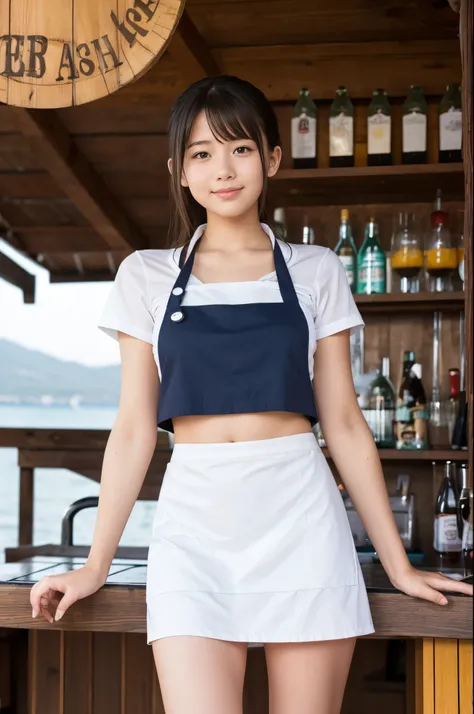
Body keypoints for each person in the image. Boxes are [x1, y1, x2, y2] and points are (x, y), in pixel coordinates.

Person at [30, 76, 473, 714]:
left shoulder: (316, 268)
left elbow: (344, 424)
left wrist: (398, 566)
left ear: (270, 159)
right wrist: (95, 564)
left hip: (301, 515)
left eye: (239, 149)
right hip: (193, 525)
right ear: (180, 172)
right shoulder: (147, 276)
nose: (223, 169)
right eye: (202, 153)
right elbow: (132, 429)